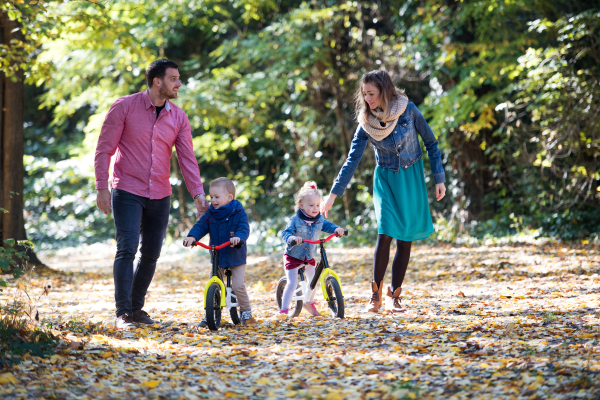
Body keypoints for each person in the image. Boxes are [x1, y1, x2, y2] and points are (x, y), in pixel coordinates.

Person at [95, 59, 209, 330]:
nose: (178, 83)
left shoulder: (178, 117)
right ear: (157, 81)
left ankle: (136, 308)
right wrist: (101, 186)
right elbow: (104, 149)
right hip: (127, 189)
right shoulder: (125, 107)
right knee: (127, 248)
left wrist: (198, 195)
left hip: (160, 192)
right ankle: (122, 313)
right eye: (173, 79)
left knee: (151, 253)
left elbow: (187, 159)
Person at [321, 70, 446, 314]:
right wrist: (333, 194)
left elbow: (431, 143)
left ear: (385, 92)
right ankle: (375, 294)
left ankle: (394, 295)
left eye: (372, 94)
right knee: (385, 231)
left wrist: (439, 178)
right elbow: (352, 160)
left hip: (411, 177)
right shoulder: (366, 122)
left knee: (405, 238)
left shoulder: (408, 110)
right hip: (386, 180)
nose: (367, 99)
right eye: (364, 94)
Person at [183, 178, 256, 326]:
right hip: (219, 255)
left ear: (230, 197)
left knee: (237, 285)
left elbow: (243, 228)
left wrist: (239, 238)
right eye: (211, 197)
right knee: (213, 283)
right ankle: (210, 314)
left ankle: (246, 313)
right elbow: (201, 225)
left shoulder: (239, 212)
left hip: (236, 254)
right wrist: (192, 236)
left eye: (217, 197)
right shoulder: (211, 213)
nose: (213, 200)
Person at [279, 181, 345, 318]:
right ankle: (283, 311)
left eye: (317, 205)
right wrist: (292, 238)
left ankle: (308, 302)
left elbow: (328, 226)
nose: (315, 208)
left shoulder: (319, 219)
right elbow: (285, 233)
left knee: (313, 281)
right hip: (293, 256)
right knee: (292, 283)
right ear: (301, 205)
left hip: (308, 257)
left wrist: (337, 229)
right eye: (311, 205)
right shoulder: (294, 220)